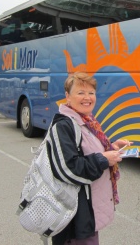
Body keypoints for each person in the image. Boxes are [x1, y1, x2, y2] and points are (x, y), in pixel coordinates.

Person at [50, 72, 132, 245]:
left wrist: (112, 147)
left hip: (87, 213)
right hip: (74, 219)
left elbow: (89, 151)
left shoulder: (86, 121)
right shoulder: (63, 125)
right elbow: (68, 169)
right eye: (80, 93)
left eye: (91, 93)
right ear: (67, 96)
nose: (87, 98)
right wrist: (103, 159)